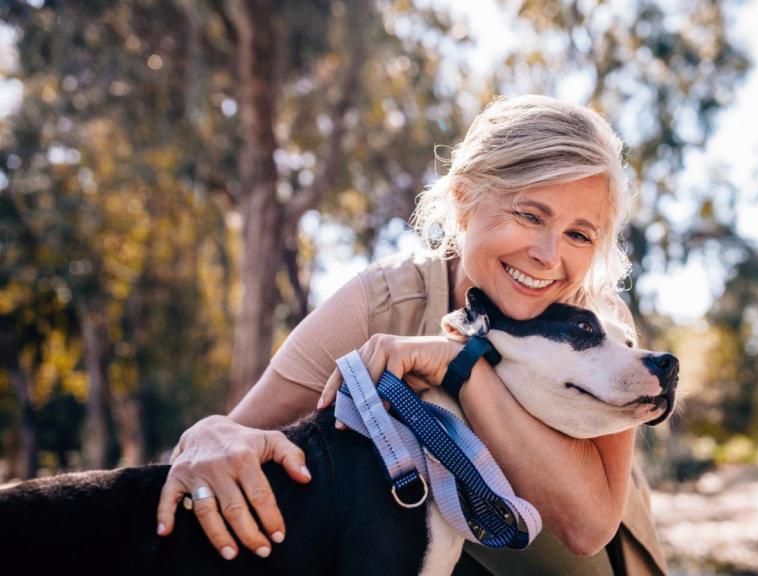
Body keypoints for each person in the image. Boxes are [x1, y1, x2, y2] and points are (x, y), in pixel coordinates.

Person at [155, 95, 670, 575]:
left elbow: (585, 528)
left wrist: (458, 366)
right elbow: (236, 435)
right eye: (529, 215)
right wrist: (211, 435)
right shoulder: (384, 302)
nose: (549, 255)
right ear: (464, 200)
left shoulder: (599, 327)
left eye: (579, 234)